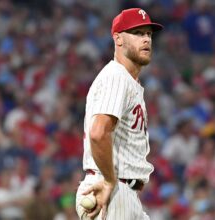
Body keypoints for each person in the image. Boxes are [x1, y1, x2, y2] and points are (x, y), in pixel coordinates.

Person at [75, 8, 163, 220]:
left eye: (148, 34)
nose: (146, 39)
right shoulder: (116, 77)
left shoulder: (129, 82)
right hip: (111, 190)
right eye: (138, 33)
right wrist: (108, 181)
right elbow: (98, 133)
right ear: (118, 39)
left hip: (124, 193)